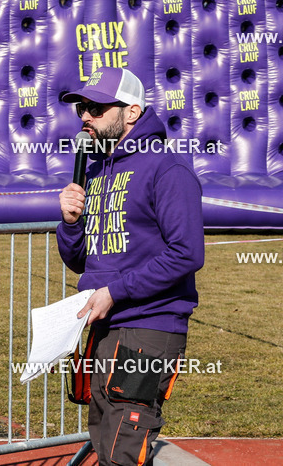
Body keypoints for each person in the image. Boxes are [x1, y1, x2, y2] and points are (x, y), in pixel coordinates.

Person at [56, 67, 205, 466]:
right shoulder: (96, 168)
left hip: (149, 325)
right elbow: (80, 260)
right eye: (82, 108)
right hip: (103, 324)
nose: (85, 116)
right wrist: (70, 224)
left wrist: (115, 291)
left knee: (125, 444)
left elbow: (187, 252)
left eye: (97, 108)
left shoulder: (167, 168)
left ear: (132, 112)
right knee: (104, 435)